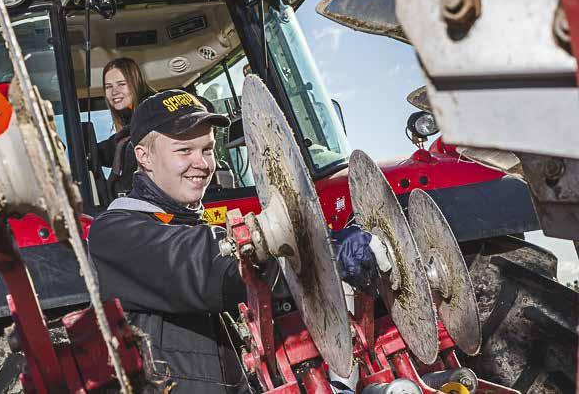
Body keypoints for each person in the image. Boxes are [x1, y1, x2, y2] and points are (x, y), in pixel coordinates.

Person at [87, 90, 379, 393]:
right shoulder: (114, 233)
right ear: (144, 157)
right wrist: (320, 255)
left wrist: (329, 246)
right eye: (184, 151)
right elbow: (202, 265)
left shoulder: (192, 224)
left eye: (208, 149)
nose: (201, 164)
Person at [97, 57, 157, 200]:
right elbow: (114, 146)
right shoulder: (131, 120)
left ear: (134, 83)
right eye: (108, 87)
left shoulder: (153, 113)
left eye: (121, 84)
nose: (114, 92)